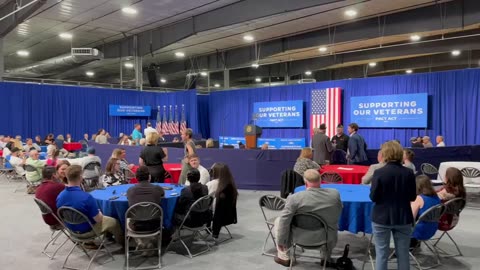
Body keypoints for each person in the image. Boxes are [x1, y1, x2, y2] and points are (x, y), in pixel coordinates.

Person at [274, 169, 342, 267]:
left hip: (299, 237)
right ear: (320, 181)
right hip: (325, 237)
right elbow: (338, 212)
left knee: (279, 220)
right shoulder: (334, 194)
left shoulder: (294, 198)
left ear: (305, 183)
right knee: (330, 221)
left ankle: (284, 256)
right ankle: (326, 257)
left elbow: (285, 221)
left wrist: (281, 241)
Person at [370, 141, 417, 270]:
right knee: (403, 255)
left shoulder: (379, 172)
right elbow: (413, 197)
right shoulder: (408, 173)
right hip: (403, 217)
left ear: (385, 153)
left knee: (381, 254)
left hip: (381, 217)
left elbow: (373, 197)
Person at [56, 165, 124, 245]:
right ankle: (123, 244)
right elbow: (98, 219)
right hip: (88, 230)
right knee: (114, 221)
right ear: (81, 177)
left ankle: (108, 237)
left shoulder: (59, 196)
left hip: (71, 230)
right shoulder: (86, 197)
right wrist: (100, 213)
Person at [127, 166, 165, 254]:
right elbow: (162, 194)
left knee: (126, 218)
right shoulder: (157, 189)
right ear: (149, 177)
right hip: (154, 224)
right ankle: (149, 243)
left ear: (136, 178)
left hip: (136, 226)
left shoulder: (130, 190)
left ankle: (140, 243)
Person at [410, 175, 441, 249]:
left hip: (419, 231)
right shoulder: (437, 197)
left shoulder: (419, 199)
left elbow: (410, 219)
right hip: (432, 229)